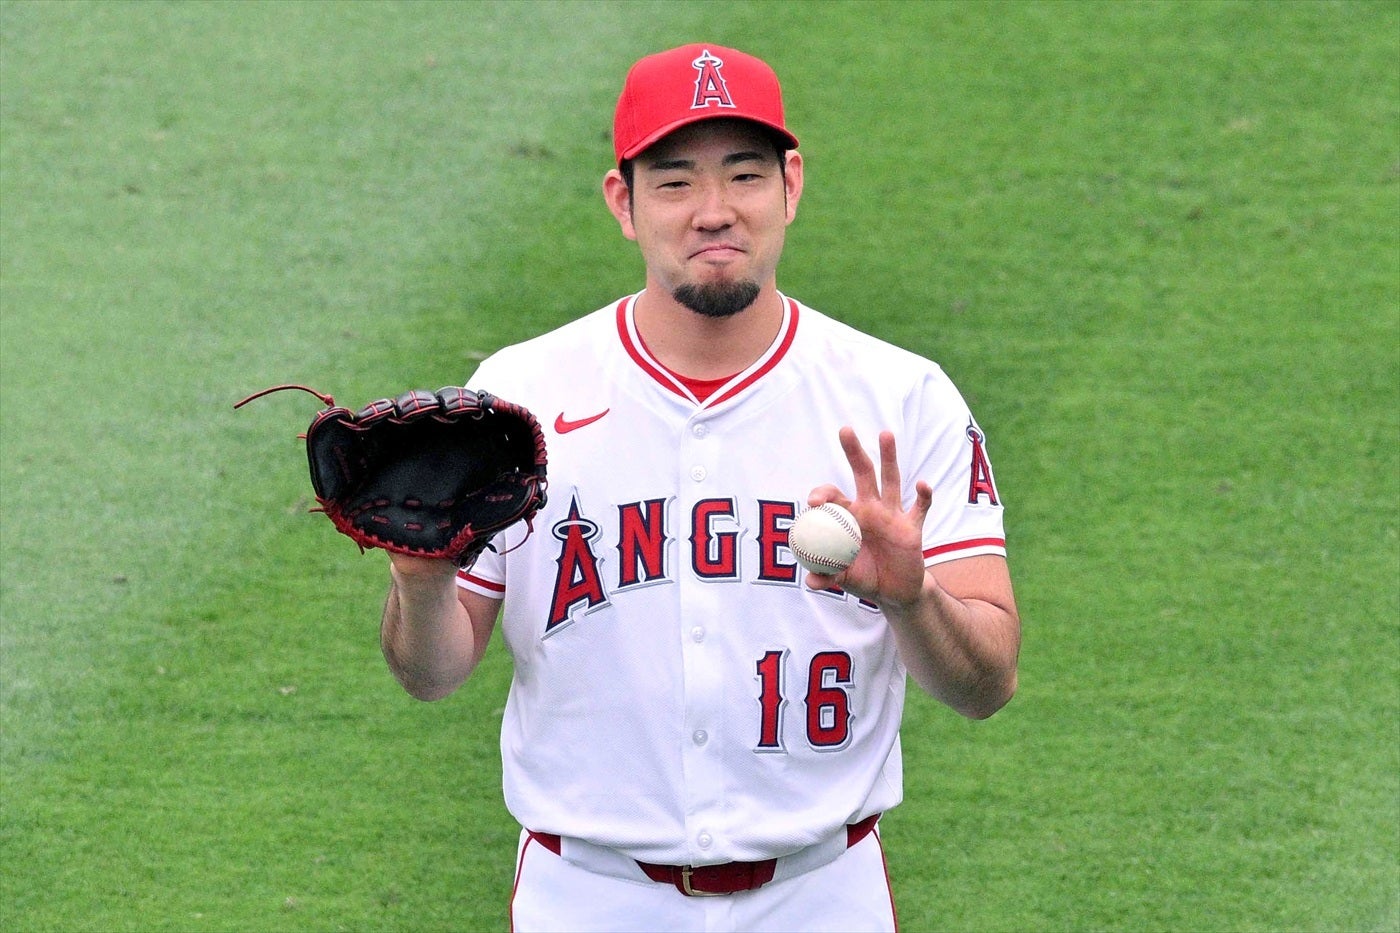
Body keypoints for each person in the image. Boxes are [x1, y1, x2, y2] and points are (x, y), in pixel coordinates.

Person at [380, 43, 1020, 932]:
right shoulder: (520, 400)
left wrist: (914, 598)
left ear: (792, 185)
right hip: (589, 897)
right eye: (676, 181)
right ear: (624, 202)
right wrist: (422, 586)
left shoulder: (901, 399)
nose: (714, 211)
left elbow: (988, 682)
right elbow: (433, 674)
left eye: (744, 175)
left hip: (821, 896)